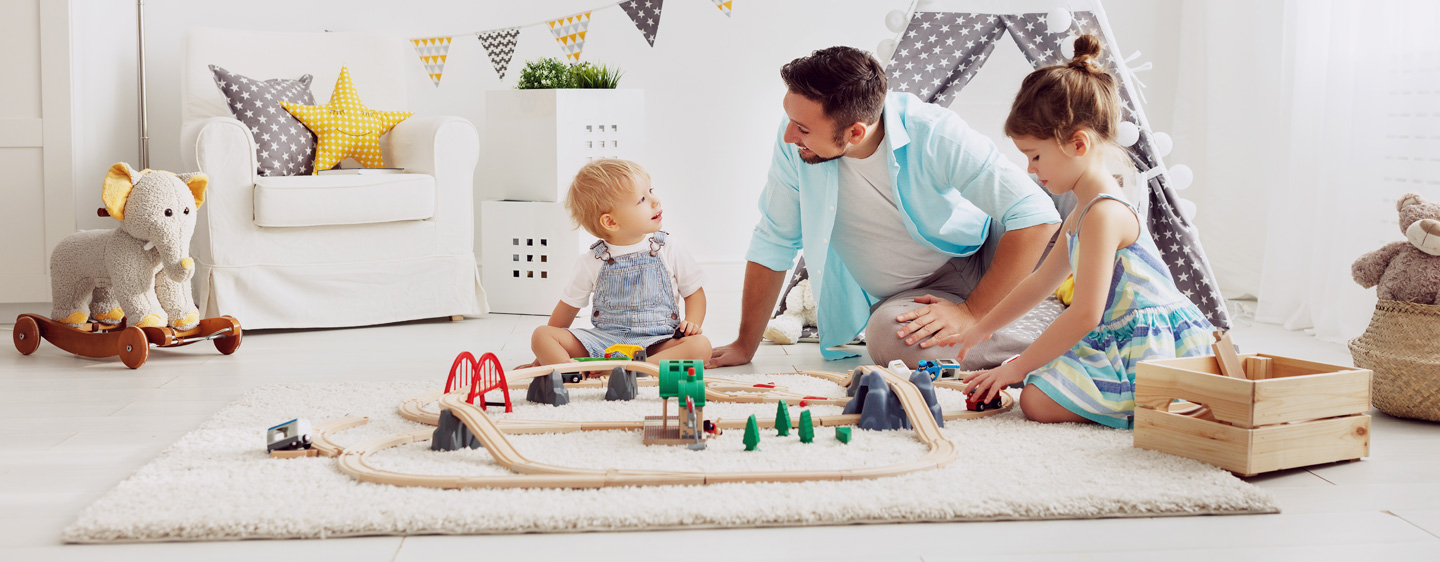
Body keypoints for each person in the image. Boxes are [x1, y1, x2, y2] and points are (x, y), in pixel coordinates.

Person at [708, 46, 1062, 369]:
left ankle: (1074, 323)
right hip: (921, 295)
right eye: (790, 121)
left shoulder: (933, 131)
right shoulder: (796, 147)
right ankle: (1058, 346)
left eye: (802, 128)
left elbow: (1036, 216)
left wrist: (972, 313)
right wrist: (744, 345)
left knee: (1079, 194)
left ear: (855, 133)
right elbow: (775, 238)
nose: (789, 136)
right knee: (889, 338)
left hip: (987, 252)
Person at [940, 35, 1216, 429]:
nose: (1031, 171)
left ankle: (1161, 403)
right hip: (1119, 336)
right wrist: (979, 329)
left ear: (1078, 144)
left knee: (1034, 396)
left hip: (1151, 347)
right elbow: (1039, 282)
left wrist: (1014, 368)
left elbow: (1086, 313)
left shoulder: (1105, 214)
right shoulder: (1083, 211)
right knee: (1037, 386)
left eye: (1035, 156)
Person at [522, 159, 711, 368]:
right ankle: (577, 373)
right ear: (611, 222)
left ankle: (628, 370)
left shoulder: (668, 248)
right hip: (605, 343)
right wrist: (540, 359)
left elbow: (694, 292)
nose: (655, 201)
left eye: (651, 191)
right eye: (642, 199)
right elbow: (566, 309)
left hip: (657, 342)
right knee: (541, 335)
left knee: (701, 346)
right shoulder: (592, 261)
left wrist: (693, 322)